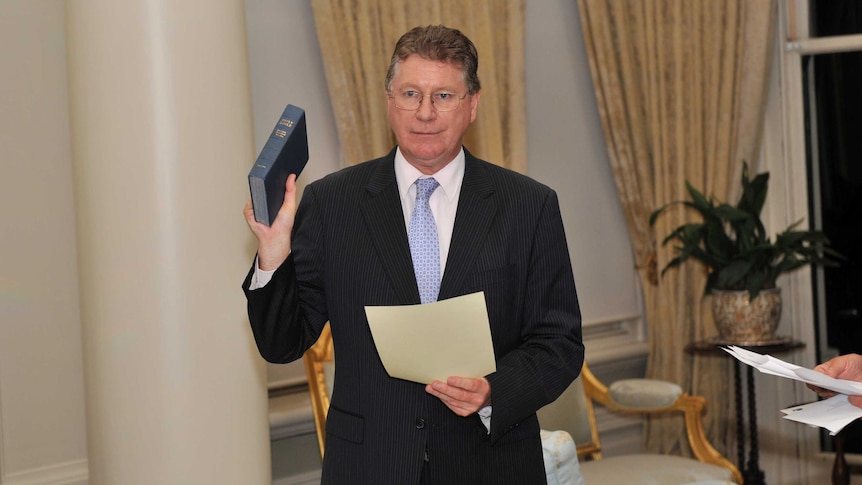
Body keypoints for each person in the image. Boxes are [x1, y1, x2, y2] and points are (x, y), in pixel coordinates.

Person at [243, 24, 583, 484]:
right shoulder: (331, 203)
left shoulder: (528, 205)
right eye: (410, 94)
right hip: (369, 466)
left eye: (443, 96)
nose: (424, 112)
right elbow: (281, 344)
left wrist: (492, 391)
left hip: (492, 465)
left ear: (472, 105)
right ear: (389, 102)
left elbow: (559, 343)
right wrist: (273, 252)